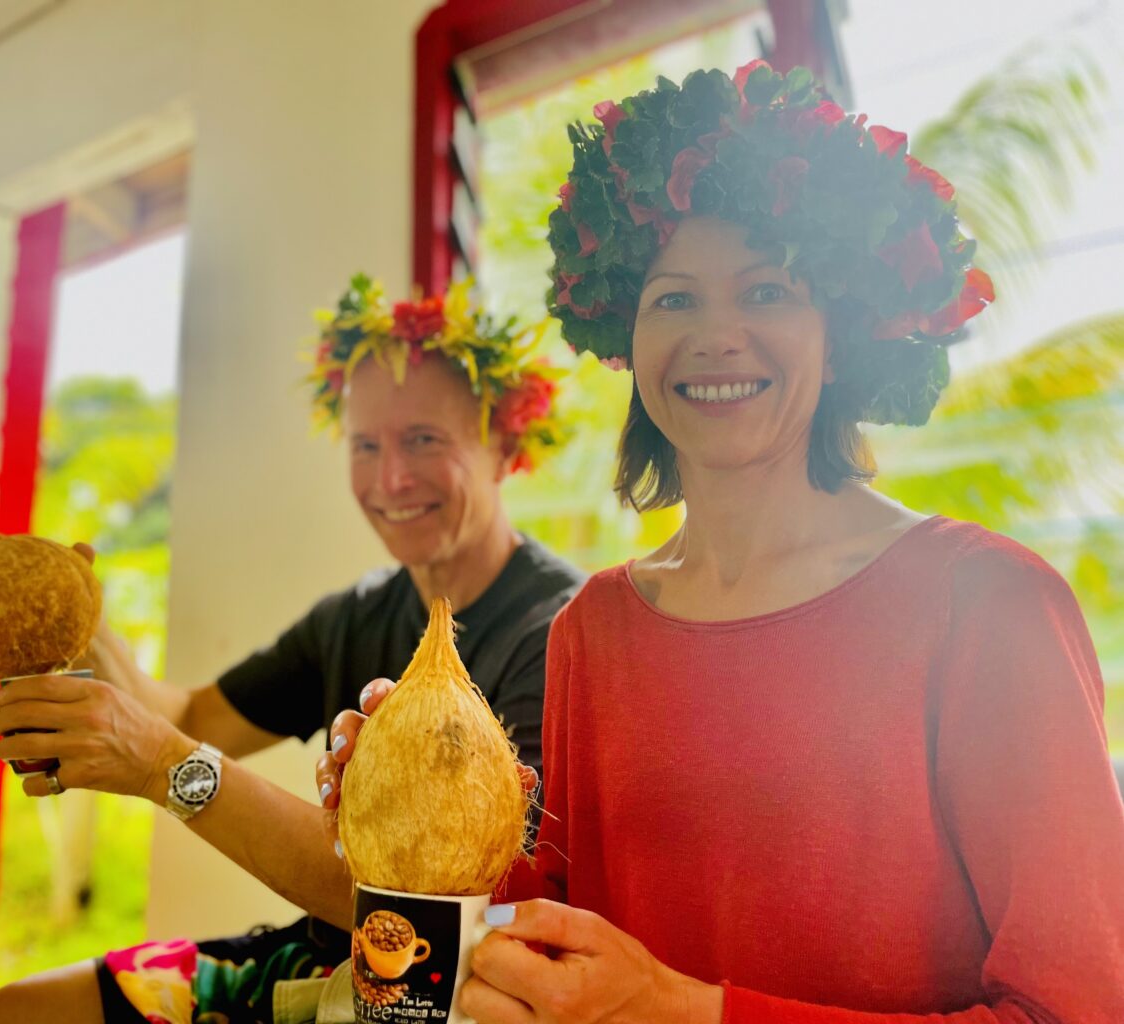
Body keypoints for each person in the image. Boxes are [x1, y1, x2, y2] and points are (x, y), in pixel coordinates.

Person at [323, 62, 1124, 1023]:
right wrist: (416, 824)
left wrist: (681, 1007)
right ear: (627, 337)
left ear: (842, 339)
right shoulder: (593, 629)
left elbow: (1075, 1009)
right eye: (673, 299)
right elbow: (573, 939)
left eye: (768, 291)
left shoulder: (988, 607)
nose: (716, 335)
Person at [0, 276, 585, 1024]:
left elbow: (440, 915)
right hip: (310, 958)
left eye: (423, 439)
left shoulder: (559, 632)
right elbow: (193, 714)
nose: (390, 478)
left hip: (435, 991)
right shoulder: (353, 616)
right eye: (365, 445)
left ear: (504, 447)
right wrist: (75, 614)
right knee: (8, 1014)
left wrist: (165, 765)